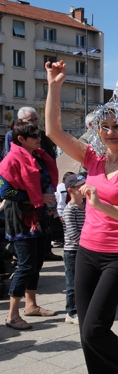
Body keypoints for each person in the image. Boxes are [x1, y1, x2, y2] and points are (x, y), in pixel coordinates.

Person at [45, 61, 118, 374]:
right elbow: (53, 131)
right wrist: (55, 85)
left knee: (94, 328)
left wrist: (102, 204)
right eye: (104, 127)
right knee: (84, 331)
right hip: (87, 252)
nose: (110, 132)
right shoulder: (90, 158)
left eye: (117, 126)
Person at [0, 122, 59, 330]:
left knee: (36, 263)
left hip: (39, 216)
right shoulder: (10, 160)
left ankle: (31, 305)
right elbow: (5, 192)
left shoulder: (38, 156)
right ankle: (12, 315)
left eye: (39, 135)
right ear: (21, 140)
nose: (38, 138)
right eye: (34, 136)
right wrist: (38, 197)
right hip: (22, 218)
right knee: (25, 265)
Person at [62, 173, 87, 325]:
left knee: (83, 281)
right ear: (71, 190)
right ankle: (71, 312)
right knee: (72, 283)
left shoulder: (86, 206)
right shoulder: (69, 210)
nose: (84, 188)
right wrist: (88, 242)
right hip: (72, 251)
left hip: (84, 249)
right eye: (80, 187)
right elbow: (72, 234)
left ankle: (82, 307)